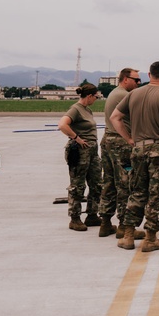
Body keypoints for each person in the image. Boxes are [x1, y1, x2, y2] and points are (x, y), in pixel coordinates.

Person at [110, 61, 159, 253]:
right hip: (158, 150)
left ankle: (128, 236)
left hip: (138, 149)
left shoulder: (133, 94)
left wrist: (129, 139)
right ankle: (150, 238)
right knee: (156, 195)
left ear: (148, 74)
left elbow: (115, 117)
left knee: (137, 191)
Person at [98, 67, 142, 239]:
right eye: (136, 80)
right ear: (125, 79)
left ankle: (105, 222)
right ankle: (124, 225)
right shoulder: (124, 95)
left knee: (108, 182)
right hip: (120, 142)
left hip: (108, 139)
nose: (138, 83)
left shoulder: (114, 93)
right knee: (125, 184)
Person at [58, 83, 103, 232]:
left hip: (92, 150)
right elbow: (62, 125)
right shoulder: (75, 109)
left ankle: (92, 214)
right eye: (95, 97)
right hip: (81, 150)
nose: (96, 100)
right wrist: (76, 138)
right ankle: (75, 218)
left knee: (96, 183)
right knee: (78, 185)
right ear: (89, 96)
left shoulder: (87, 110)